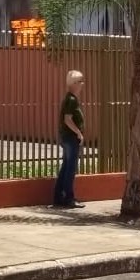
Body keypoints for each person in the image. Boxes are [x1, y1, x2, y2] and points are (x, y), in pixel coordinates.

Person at [53, 70, 86, 209]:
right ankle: (68, 198)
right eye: (80, 82)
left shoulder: (69, 98)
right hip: (71, 138)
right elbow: (67, 119)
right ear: (73, 84)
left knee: (66, 167)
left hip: (67, 137)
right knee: (70, 168)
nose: (82, 84)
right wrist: (78, 133)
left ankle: (59, 197)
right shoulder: (71, 100)